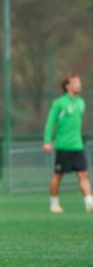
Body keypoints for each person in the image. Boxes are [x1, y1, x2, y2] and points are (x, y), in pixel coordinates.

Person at [43, 73, 92, 213]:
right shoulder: (59, 103)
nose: (79, 84)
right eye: (75, 82)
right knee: (58, 175)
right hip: (63, 146)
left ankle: (89, 203)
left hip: (78, 146)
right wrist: (47, 141)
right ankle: (54, 204)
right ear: (67, 85)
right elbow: (50, 123)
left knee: (83, 175)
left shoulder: (81, 103)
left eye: (79, 81)